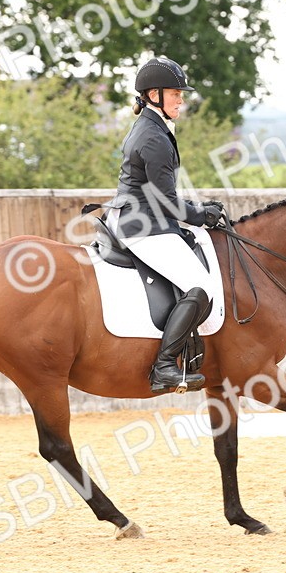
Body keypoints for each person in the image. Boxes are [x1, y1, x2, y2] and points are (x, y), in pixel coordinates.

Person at [104, 56, 224, 394]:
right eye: (175, 94)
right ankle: (165, 367)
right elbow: (167, 202)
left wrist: (199, 209)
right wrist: (202, 215)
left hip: (141, 216)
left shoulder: (152, 127)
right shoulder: (153, 137)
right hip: (143, 224)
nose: (181, 100)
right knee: (200, 288)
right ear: (153, 94)